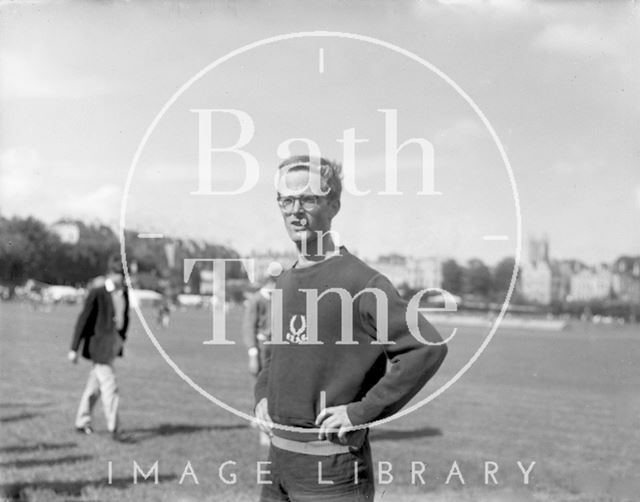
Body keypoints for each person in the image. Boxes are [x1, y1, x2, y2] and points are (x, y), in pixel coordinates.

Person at [254, 155, 448, 501]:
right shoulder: (284, 281)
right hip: (277, 465)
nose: (295, 210)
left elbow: (427, 347)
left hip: (332, 470)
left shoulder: (361, 281)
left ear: (334, 205)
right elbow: (276, 355)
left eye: (309, 198)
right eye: (286, 199)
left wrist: (361, 412)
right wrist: (262, 395)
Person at [68, 253, 130, 440]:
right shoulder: (98, 292)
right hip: (99, 346)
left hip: (113, 345)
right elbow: (83, 320)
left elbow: (124, 318)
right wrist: (74, 348)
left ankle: (82, 421)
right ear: (111, 273)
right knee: (110, 386)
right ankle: (115, 429)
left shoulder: (124, 293)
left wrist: (121, 339)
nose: (124, 278)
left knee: (94, 387)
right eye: (121, 274)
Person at [243, 275, 276, 445]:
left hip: (277, 345)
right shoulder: (256, 300)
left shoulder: (280, 298)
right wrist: (253, 353)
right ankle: (259, 416)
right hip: (262, 345)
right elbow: (249, 326)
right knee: (260, 383)